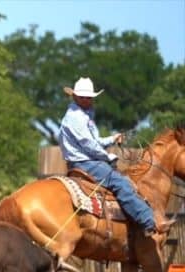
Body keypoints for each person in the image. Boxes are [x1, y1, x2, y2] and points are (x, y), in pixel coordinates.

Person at [58, 77, 167, 237]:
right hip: (84, 163)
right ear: (74, 97)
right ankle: (148, 221)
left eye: (89, 97)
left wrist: (112, 138)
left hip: (85, 160)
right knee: (119, 182)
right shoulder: (76, 117)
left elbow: (94, 141)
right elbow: (89, 145)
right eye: (83, 97)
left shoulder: (82, 115)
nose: (87, 100)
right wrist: (107, 157)